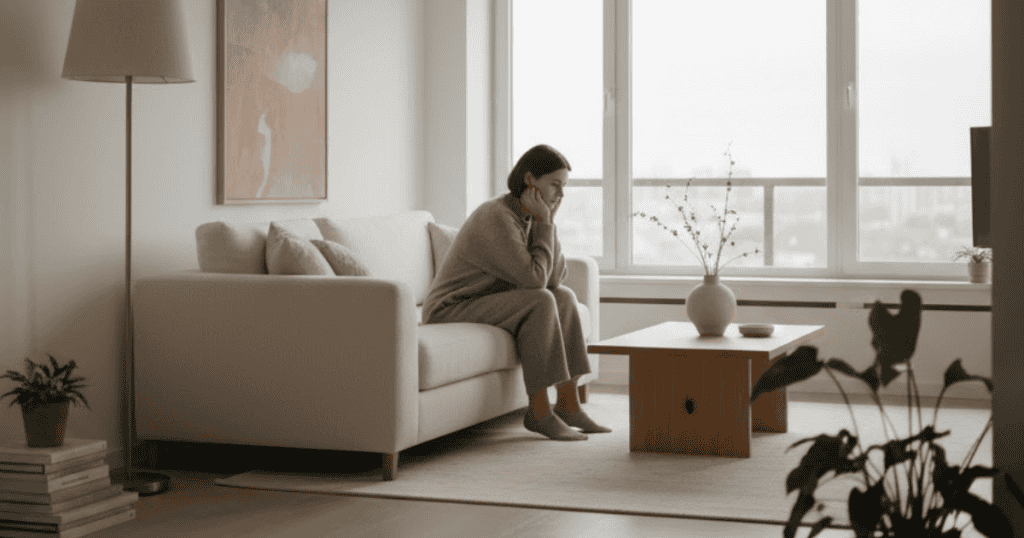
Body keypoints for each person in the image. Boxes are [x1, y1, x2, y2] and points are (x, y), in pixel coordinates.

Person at [422, 144, 611, 441]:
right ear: (530, 180)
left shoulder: (528, 216)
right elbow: (535, 281)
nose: (561, 194)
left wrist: (546, 223)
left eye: (564, 187)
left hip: (486, 300)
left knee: (563, 297)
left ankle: (568, 403)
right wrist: (545, 223)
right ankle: (538, 412)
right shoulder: (496, 216)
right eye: (555, 185)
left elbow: (555, 277)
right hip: (452, 306)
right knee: (541, 300)